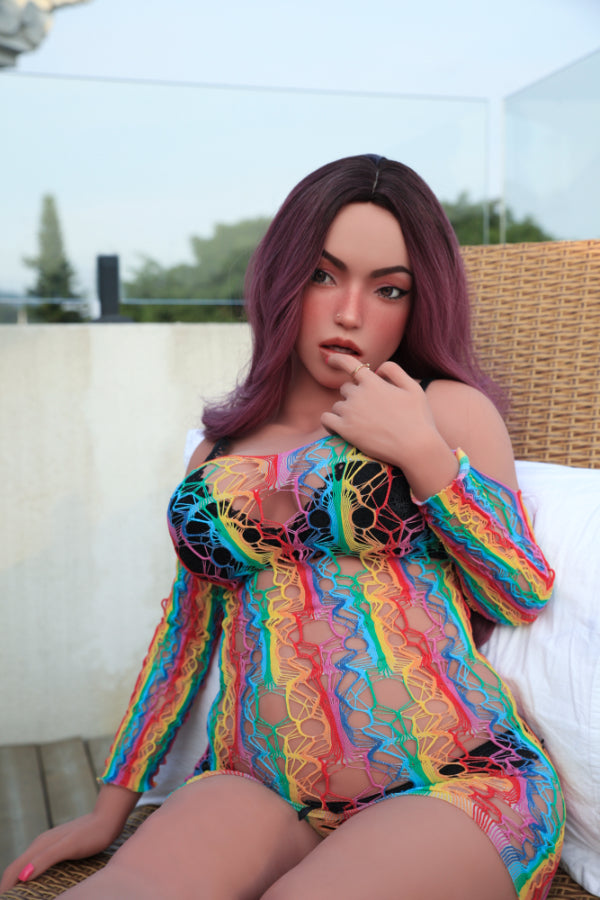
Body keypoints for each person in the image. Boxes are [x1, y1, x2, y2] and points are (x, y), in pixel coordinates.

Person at [1, 154, 564, 900]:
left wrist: (423, 454)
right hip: (258, 788)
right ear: (283, 279)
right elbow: (183, 640)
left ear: (417, 302)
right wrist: (111, 808)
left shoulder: (445, 410)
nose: (351, 313)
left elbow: (521, 591)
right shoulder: (218, 452)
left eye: (388, 289)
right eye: (324, 276)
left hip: (454, 784)